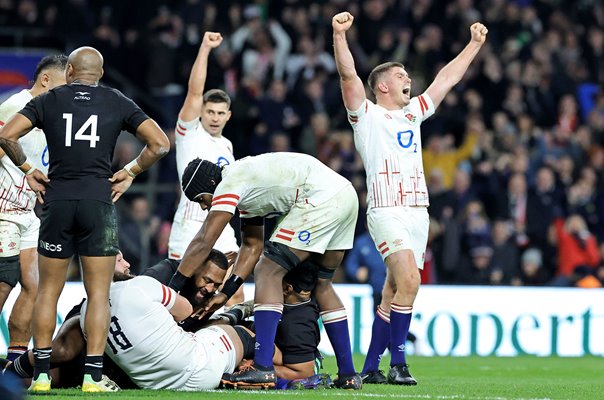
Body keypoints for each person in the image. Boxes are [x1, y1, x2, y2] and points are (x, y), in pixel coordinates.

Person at [0, 46, 170, 392]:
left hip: (56, 200)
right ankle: (93, 377)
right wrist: (130, 171)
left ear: (72, 71)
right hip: (99, 202)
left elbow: (6, 134)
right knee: (98, 294)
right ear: (102, 74)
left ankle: (43, 376)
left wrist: (28, 170)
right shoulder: (117, 100)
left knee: (47, 290)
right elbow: (160, 144)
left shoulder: (49, 100)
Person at [332, 11, 487, 385]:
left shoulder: (413, 114)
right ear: (382, 86)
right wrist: (339, 35)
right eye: (400, 76)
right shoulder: (366, 115)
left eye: (408, 76)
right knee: (410, 283)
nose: (409, 80)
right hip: (386, 209)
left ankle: (371, 368)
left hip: (419, 211)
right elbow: (348, 76)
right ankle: (399, 362)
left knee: (393, 290)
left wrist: (474, 45)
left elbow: (446, 79)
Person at [169, 152, 362, 389]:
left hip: (319, 198)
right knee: (322, 284)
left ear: (210, 184)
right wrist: (226, 294)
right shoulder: (248, 184)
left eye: (201, 198)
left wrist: (171, 290)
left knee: (268, 271)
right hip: (345, 193)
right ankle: (348, 375)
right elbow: (252, 246)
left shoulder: (228, 182)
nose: (203, 206)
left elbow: (204, 240)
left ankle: (262, 367)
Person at [5, 249, 230, 389]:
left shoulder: (209, 297)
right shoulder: (160, 275)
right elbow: (130, 300)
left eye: (217, 285)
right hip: (101, 331)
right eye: (119, 259)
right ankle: (10, 372)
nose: (211, 288)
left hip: (123, 356)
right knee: (60, 359)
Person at [0, 54, 67, 364]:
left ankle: (13, 364)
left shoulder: (49, 116)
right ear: (46, 80)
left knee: (33, 285)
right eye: (64, 84)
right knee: (4, 282)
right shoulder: (15, 107)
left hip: (28, 213)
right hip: (4, 211)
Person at [168, 31, 242, 306]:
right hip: (190, 222)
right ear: (202, 112)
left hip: (221, 224)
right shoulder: (189, 133)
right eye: (210, 111)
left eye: (221, 113)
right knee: (186, 296)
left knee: (233, 293)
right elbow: (194, 91)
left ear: (228, 115)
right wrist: (205, 48)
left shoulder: (228, 146)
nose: (215, 117)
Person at [80, 274, 254, 391]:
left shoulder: (85, 312)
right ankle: (268, 368)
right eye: (119, 259)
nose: (127, 263)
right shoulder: (139, 285)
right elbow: (185, 312)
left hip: (154, 386)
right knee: (243, 333)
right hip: (198, 367)